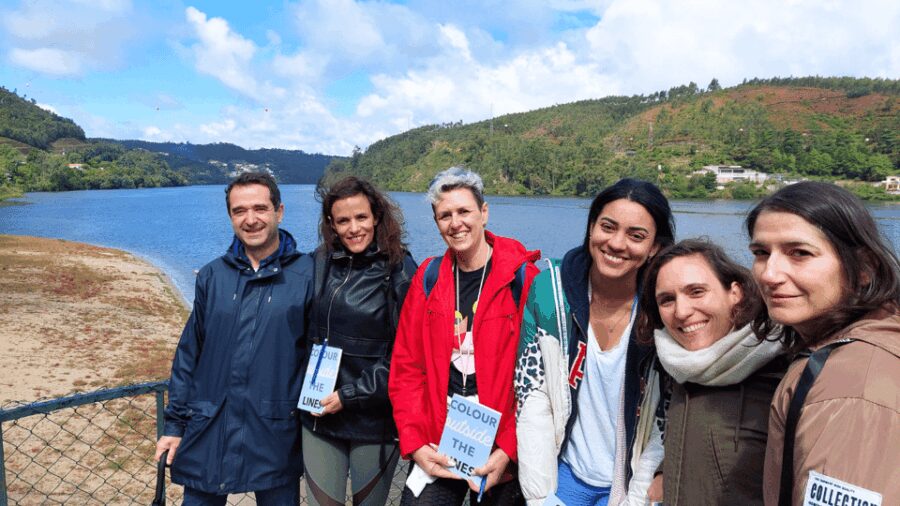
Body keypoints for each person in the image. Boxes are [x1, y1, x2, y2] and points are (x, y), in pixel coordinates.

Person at [154, 172, 312, 505]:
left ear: (279, 211)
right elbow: (189, 355)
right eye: (240, 211)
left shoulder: (306, 274)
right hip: (210, 426)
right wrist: (174, 425)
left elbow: (318, 354)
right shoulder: (213, 275)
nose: (250, 219)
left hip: (275, 431)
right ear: (230, 216)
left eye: (260, 208)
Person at [516, 178, 675, 506]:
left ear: (654, 248)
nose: (617, 243)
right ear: (591, 227)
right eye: (608, 226)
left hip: (633, 478)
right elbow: (532, 393)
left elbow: (668, 410)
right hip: (566, 474)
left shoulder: (666, 307)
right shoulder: (551, 292)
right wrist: (539, 494)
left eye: (636, 235)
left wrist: (646, 487)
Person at [389, 166, 540, 505]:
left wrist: (509, 450)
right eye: (445, 215)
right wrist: (414, 444)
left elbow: (537, 381)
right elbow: (407, 367)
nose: (455, 223)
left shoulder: (522, 279)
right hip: (441, 437)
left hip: (502, 442)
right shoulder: (429, 279)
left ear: (484, 213)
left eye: (463, 211)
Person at [746, 181, 899, 506]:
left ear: (864, 270)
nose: (769, 274)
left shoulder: (851, 387)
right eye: (761, 253)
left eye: (799, 253)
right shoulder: (862, 348)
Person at [636, 239, 786, 505]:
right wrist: (664, 469)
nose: (682, 312)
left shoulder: (781, 373)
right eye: (667, 300)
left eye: (696, 292)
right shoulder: (682, 365)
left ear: (735, 293)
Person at [301, 176, 418, 505]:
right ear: (331, 224)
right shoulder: (319, 262)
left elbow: (407, 355)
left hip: (373, 420)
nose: (353, 228)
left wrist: (350, 395)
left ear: (377, 217)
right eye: (343, 220)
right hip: (319, 415)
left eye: (361, 217)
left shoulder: (400, 268)